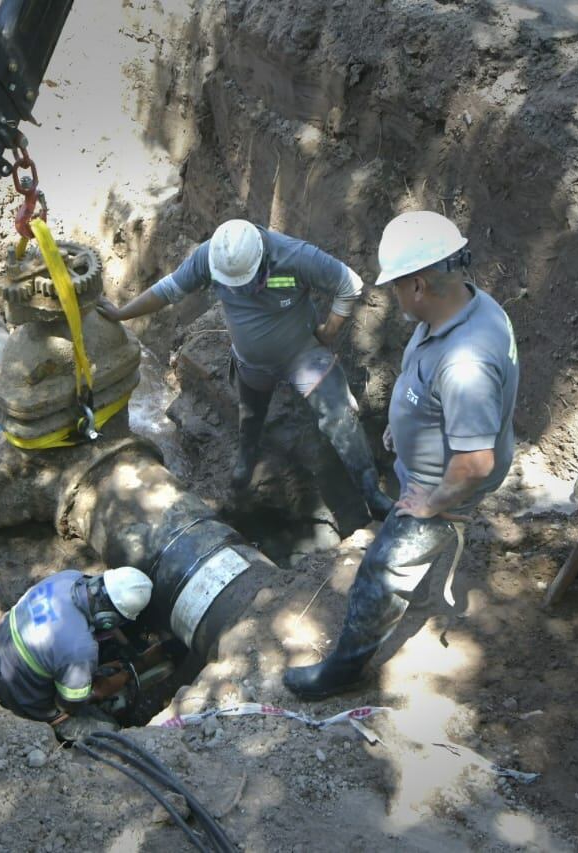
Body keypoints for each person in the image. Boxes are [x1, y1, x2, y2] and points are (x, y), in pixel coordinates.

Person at [283, 211, 519, 699]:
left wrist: (431, 504)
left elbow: (475, 463)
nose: (392, 296)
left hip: (440, 490)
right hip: (430, 469)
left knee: (379, 573)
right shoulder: (463, 307)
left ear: (418, 285)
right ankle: (414, 586)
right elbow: (427, 377)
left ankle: (342, 672)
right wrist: (401, 421)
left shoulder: (466, 363)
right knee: (401, 555)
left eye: (394, 286)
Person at [97, 219, 393, 520]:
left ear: (261, 257)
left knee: (340, 416)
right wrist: (123, 313)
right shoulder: (211, 256)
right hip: (252, 362)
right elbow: (169, 289)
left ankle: (371, 492)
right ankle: (247, 457)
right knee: (251, 416)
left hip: (302, 354)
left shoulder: (295, 256)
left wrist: (329, 332)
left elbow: (350, 283)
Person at [0, 566, 153, 739]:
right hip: (19, 697)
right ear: (109, 618)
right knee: (110, 732)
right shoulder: (80, 648)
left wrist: (126, 647)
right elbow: (69, 705)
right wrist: (114, 681)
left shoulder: (70, 577)